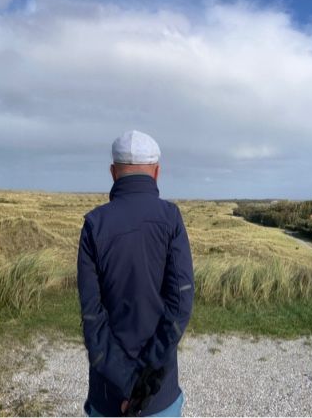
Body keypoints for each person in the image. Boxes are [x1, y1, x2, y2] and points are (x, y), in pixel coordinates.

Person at [77, 130, 194, 417]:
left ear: (113, 172)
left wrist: (126, 383)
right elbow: (180, 306)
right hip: (159, 394)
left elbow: (92, 316)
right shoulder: (171, 219)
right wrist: (142, 386)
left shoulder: (94, 224)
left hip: (108, 395)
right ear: (156, 172)